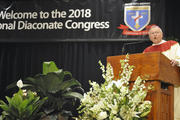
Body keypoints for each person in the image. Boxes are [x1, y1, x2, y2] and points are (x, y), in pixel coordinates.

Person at [143, 25, 180, 120]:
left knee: (173, 108)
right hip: (154, 84)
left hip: (172, 82)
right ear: (149, 36)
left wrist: (177, 61)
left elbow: (178, 58)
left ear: (162, 34)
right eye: (152, 33)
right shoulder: (147, 51)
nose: (155, 35)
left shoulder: (173, 45)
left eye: (157, 32)